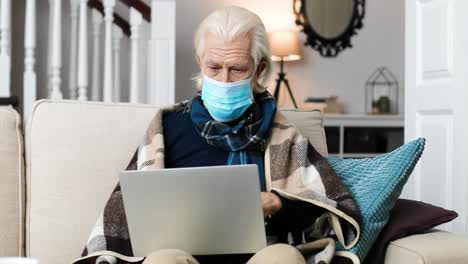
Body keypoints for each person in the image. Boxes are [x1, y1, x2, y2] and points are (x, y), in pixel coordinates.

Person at [75, 6, 361, 264]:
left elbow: (326, 208)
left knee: (284, 257)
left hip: (260, 255)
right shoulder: (167, 127)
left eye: (237, 69)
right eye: (214, 67)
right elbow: (127, 208)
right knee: (162, 260)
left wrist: (278, 203)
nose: (224, 80)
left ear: (258, 69)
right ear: (200, 61)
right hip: (182, 256)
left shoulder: (284, 136)